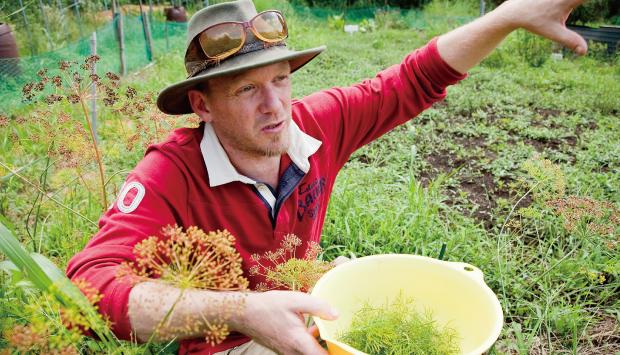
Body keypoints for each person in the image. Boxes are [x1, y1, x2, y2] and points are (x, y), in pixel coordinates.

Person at [66, 0, 590, 354]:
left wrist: (507, 16)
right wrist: (243, 311)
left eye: (280, 79)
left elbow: (412, 80)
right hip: (230, 343)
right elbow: (89, 286)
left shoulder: (316, 126)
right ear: (201, 104)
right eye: (246, 90)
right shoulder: (169, 174)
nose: (275, 106)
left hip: (304, 303)